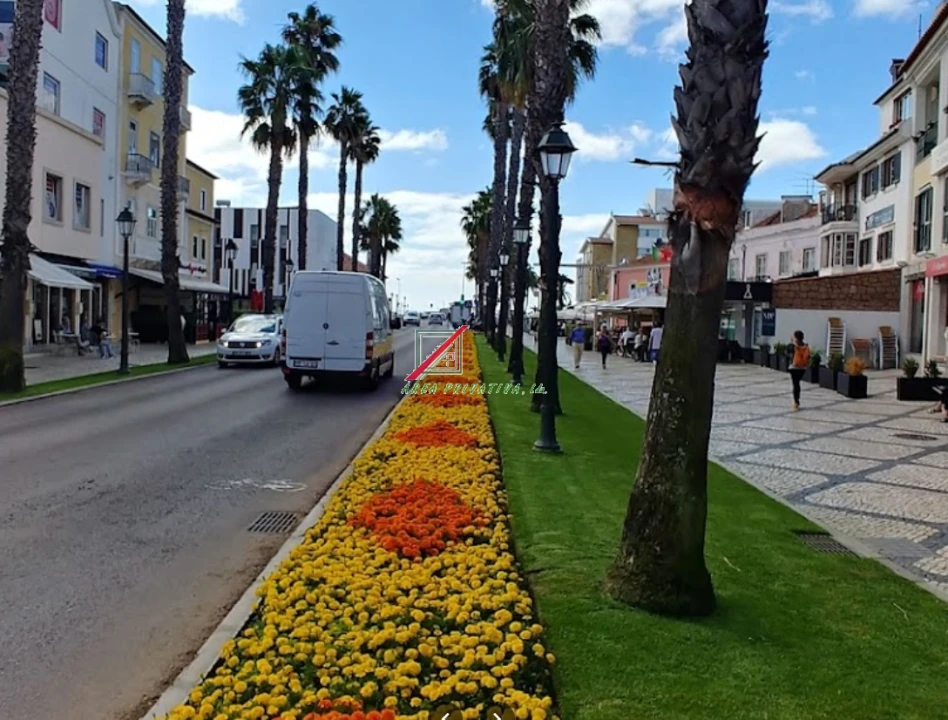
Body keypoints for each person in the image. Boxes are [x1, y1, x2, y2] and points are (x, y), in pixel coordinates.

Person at [789, 329, 810, 411]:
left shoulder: (794, 346)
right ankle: (797, 399)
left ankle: (796, 401)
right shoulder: (806, 346)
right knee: (797, 383)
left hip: (794, 367)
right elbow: (808, 357)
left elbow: (788, 354)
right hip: (803, 368)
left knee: (795, 384)